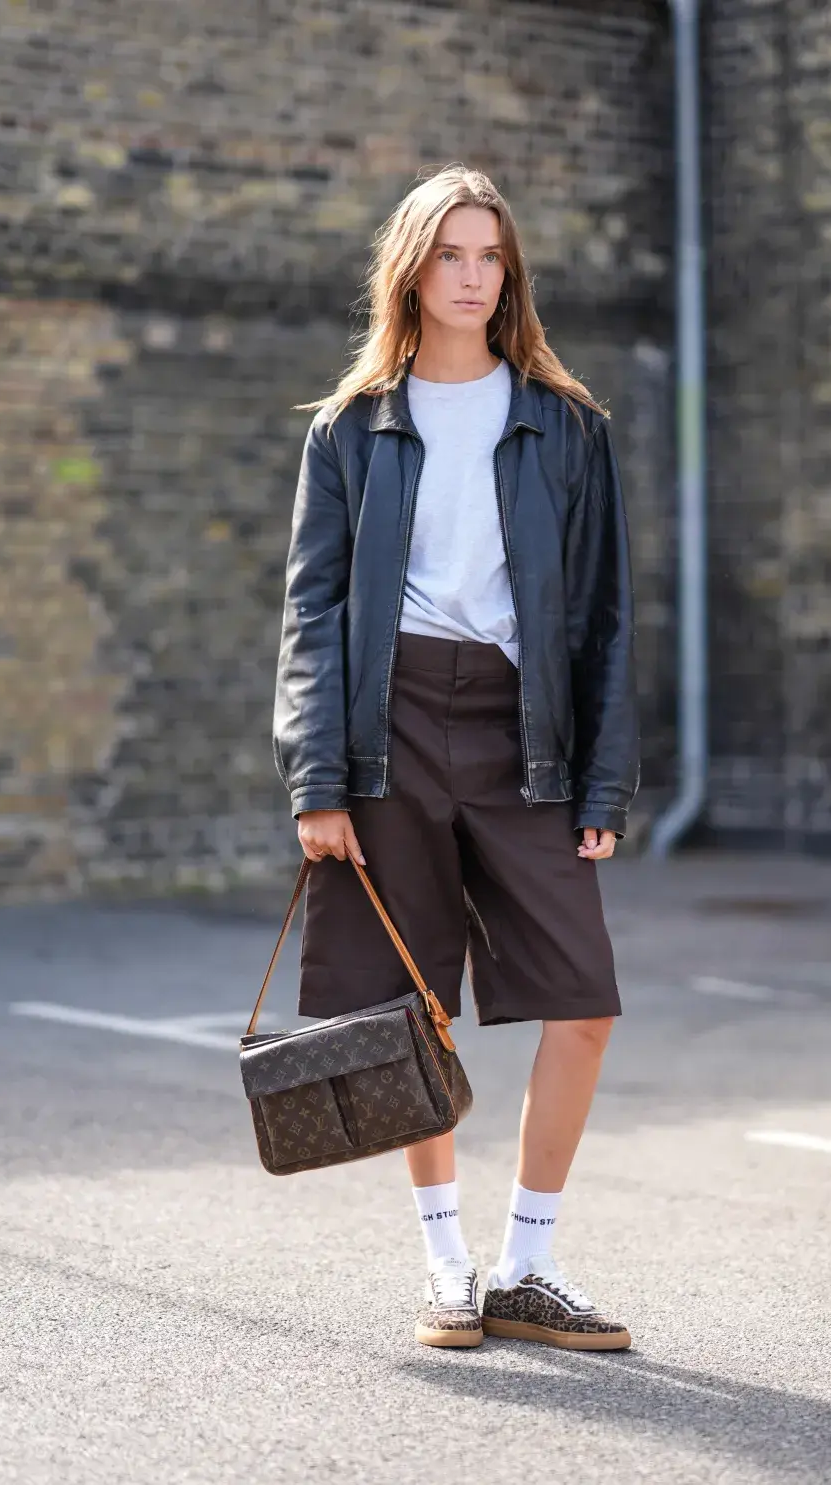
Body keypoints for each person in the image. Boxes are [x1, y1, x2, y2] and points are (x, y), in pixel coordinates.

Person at [273, 164, 639, 1351]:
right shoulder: (353, 429)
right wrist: (317, 779)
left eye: (491, 257)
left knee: (582, 999)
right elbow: (312, 613)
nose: (473, 276)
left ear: (508, 275)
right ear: (413, 272)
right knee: (408, 1011)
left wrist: (605, 776)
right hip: (388, 731)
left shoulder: (566, 427)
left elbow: (603, 616)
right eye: (452, 255)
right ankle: (446, 1265)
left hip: (523, 730)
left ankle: (528, 1264)